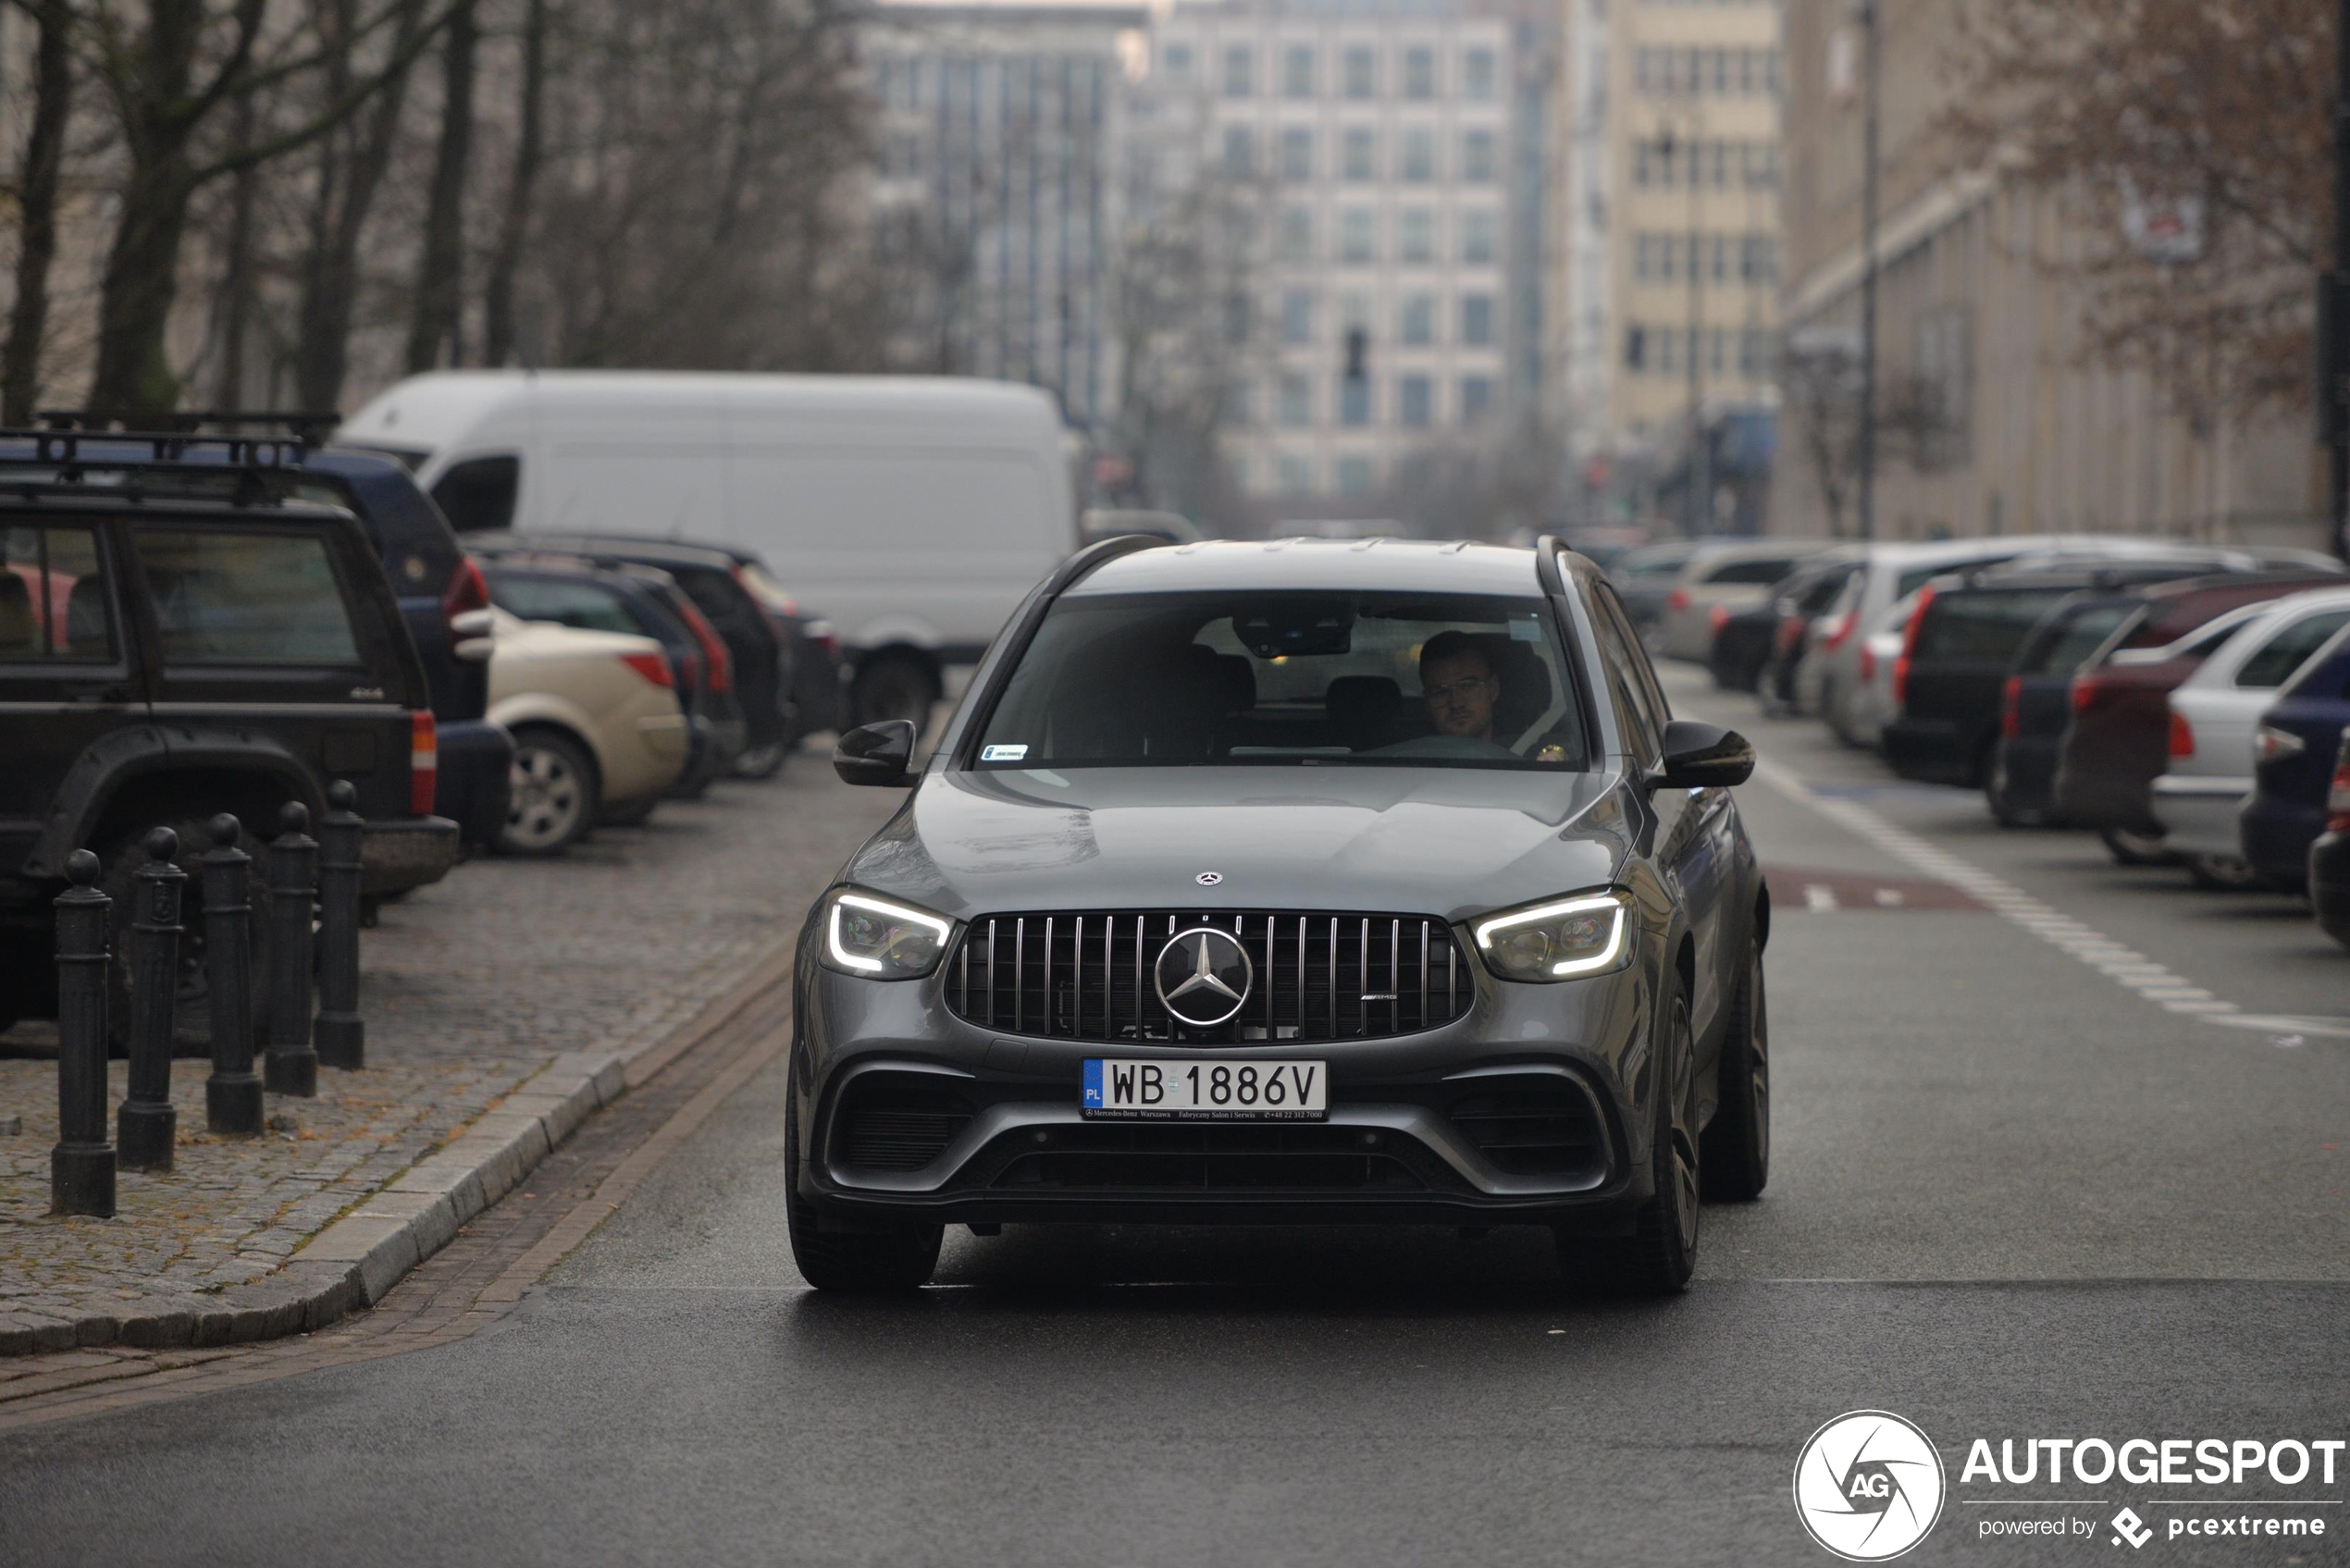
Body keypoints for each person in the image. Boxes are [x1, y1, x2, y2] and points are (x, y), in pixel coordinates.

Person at [1418, 631, 1501, 744]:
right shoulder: (1403, 757)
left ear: (1493, 689)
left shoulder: (1527, 754)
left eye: (1467, 686)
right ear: (1427, 703)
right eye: (1440, 692)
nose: (1456, 704)